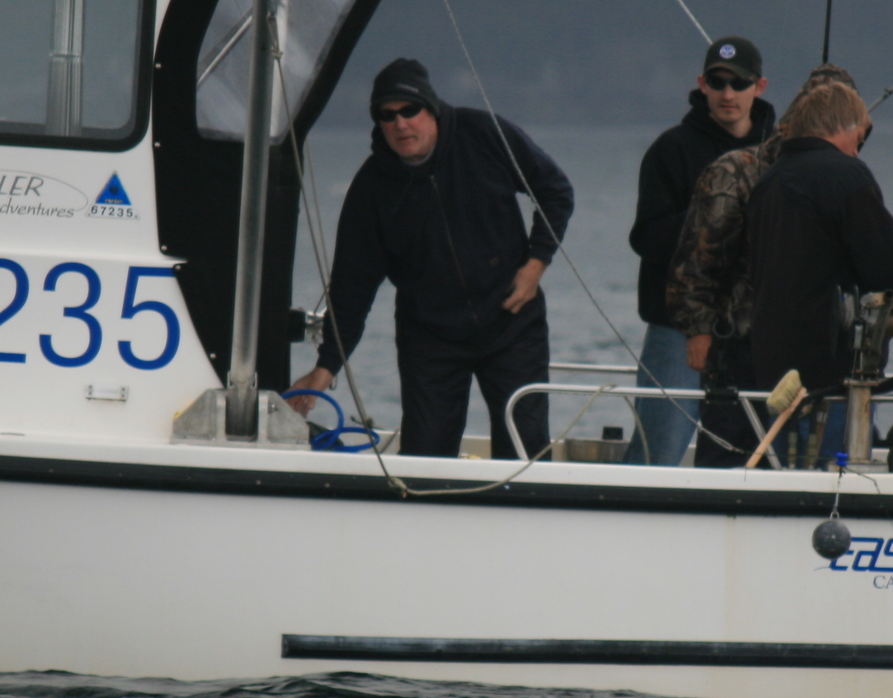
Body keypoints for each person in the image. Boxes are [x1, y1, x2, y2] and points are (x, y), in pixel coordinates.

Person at [667, 65, 893, 466]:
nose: (858, 145)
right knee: (736, 467)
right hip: (741, 353)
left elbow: (868, 263)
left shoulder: (838, 175)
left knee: (827, 467)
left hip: (826, 360)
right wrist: (699, 331)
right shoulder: (738, 172)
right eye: (855, 132)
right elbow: (695, 266)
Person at [288, 58, 575, 460]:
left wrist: (535, 264)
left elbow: (555, 190)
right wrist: (327, 366)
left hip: (511, 322)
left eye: (410, 110)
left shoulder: (482, 134)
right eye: (387, 116)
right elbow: (351, 288)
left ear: (431, 109)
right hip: (430, 338)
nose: (400, 124)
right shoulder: (372, 188)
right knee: (424, 456)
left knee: (525, 453)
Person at [743, 77, 893, 465]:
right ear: (844, 127)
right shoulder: (846, 176)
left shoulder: (769, 182)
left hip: (774, 370)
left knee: (784, 472)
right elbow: (888, 270)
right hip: (831, 373)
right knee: (834, 479)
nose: (858, 150)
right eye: (859, 138)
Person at [625, 35, 775, 464]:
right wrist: (715, 218)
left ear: (759, 87)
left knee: (754, 455)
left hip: (752, 333)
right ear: (702, 84)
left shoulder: (778, 153)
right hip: (677, 329)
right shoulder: (671, 150)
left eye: (739, 83)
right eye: (718, 81)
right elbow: (646, 238)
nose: (728, 93)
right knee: (659, 449)